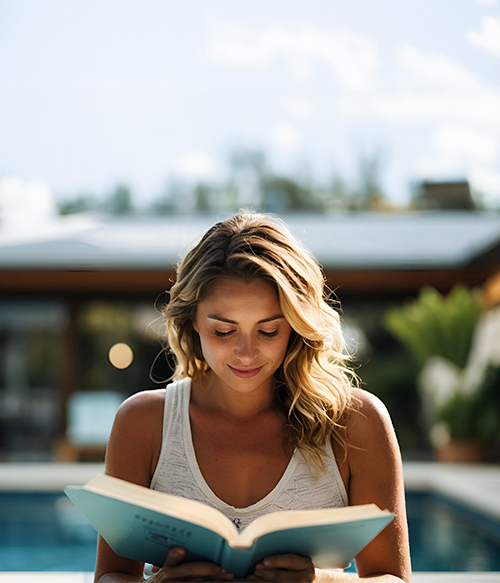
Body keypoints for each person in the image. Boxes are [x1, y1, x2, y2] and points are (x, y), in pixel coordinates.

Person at [94, 212, 411, 583]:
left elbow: (393, 579)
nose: (246, 354)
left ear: (295, 325)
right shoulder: (144, 422)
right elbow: (111, 576)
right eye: (224, 331)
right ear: (193, 321)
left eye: (269, 330)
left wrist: (320, 581)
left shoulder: (356, 422)